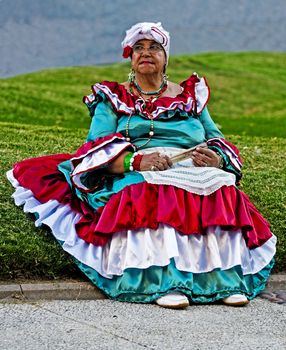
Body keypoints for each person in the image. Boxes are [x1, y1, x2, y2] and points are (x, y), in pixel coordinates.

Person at [7, 22, 276, 309]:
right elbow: (95, 144)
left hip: (190, 166)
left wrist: (217, 158)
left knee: (220, 186)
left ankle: (226, 281)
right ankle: (164, 282)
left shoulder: (190, 96)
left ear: (166, 57)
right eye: (138, 48)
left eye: (154, 47)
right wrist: (135, 160)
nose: (145, 53)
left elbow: (215, 137)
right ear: (131, 58)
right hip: (136, 167)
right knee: (153, 190)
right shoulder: (112, 97)